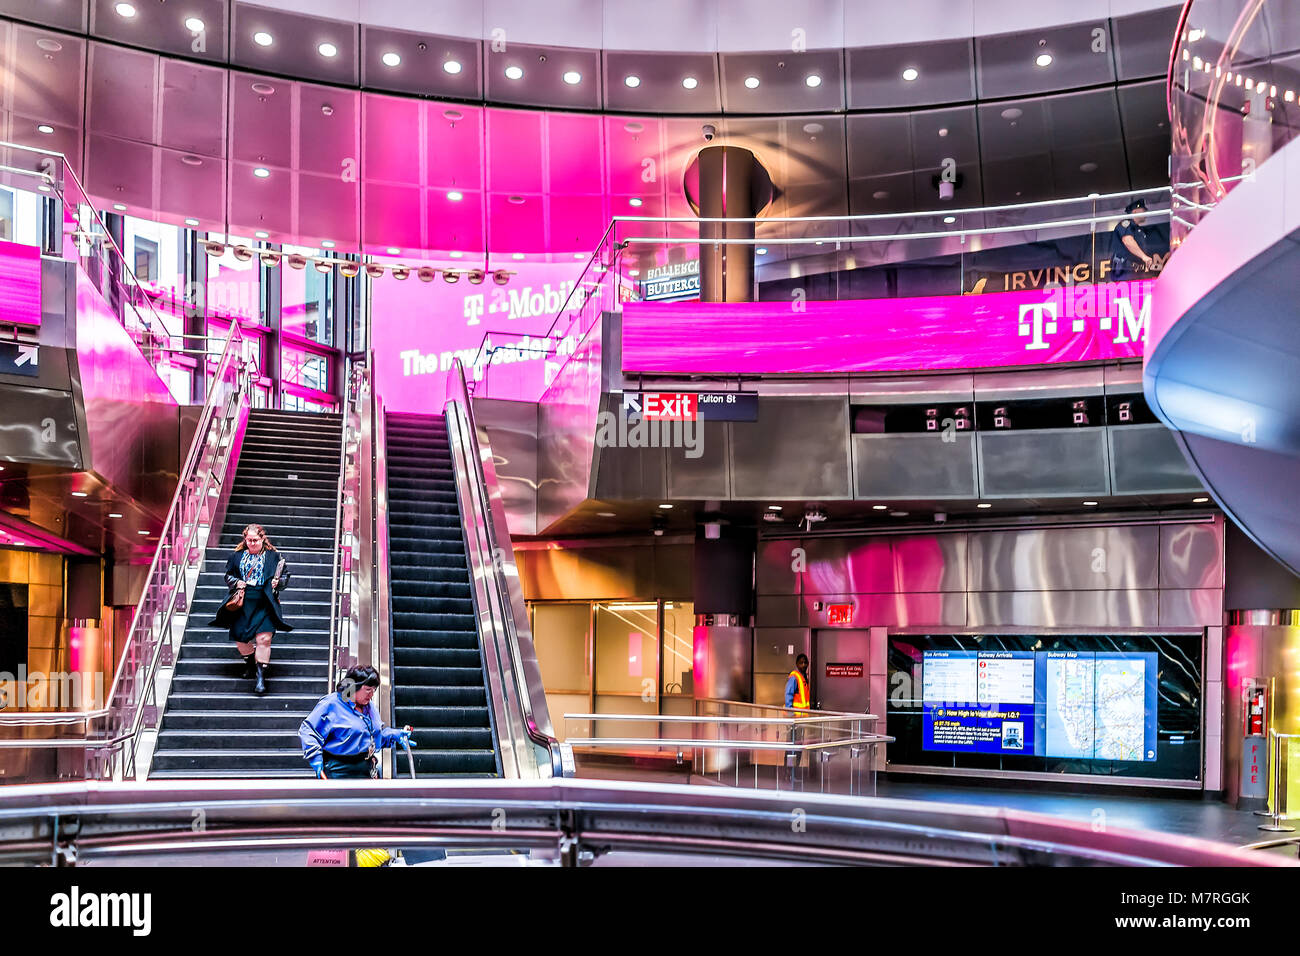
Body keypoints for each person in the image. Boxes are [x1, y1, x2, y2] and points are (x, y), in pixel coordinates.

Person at [208, 523, 292, 695]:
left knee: (264, 639)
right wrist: (236, 582)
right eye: (249, 540)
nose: (252, 543)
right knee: (241, 639)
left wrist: (278, 583)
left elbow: (285, 575)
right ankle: (250, 664)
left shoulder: (274, 557)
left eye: (255, 540)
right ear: (245, 540)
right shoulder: (236, 557)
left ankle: (261, 678)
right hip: (243, 601)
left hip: (265, 601)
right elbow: (228, 575)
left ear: (262, 539)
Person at [299, 666, 415, 779]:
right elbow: (308, 730)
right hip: (339, 770)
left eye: (374, 690)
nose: (371, 695)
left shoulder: (369, 707)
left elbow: (369, 738)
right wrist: (315, 757)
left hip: (366, 767)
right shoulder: (332, 703)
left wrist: (393, 735)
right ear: (353, 687)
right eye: (368, 690)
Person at [784, 654, 812, 787]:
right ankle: (788, 774)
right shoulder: (795, 677)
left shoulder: (803, 678)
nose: (804, 665)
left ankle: (792, 774)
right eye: (801, 663)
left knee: (797, 748)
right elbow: (788, 695)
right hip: (795, 720)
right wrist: (791, 716)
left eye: (805, 663)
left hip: (801, 720)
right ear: (797, 663)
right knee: (792, 748)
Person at [1111, 198, 1157, 278]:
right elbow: (1127, 240)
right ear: (1135, 211)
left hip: (1136, 272)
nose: (1145, 213)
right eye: (1143, 210)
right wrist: (1144, 257)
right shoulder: (1125, 224)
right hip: (1125, 271)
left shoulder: (1138, 230)